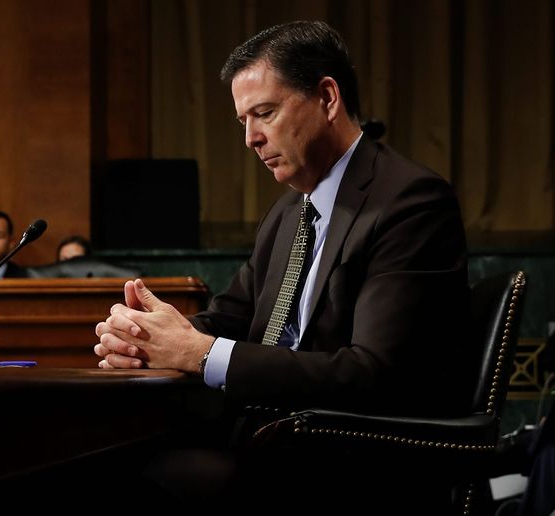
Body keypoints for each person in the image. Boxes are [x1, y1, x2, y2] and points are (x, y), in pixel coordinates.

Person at [93, 20, 471, 508]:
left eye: (264, 113)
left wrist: (201, 355)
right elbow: (231, 318)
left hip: (350, 460)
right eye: (243, 122)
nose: (250, 138)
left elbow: (373, 373)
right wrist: (145, 340)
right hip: (271, 437)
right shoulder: (291, 211)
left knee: (131, 473)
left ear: (327, 98)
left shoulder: (409, 201)